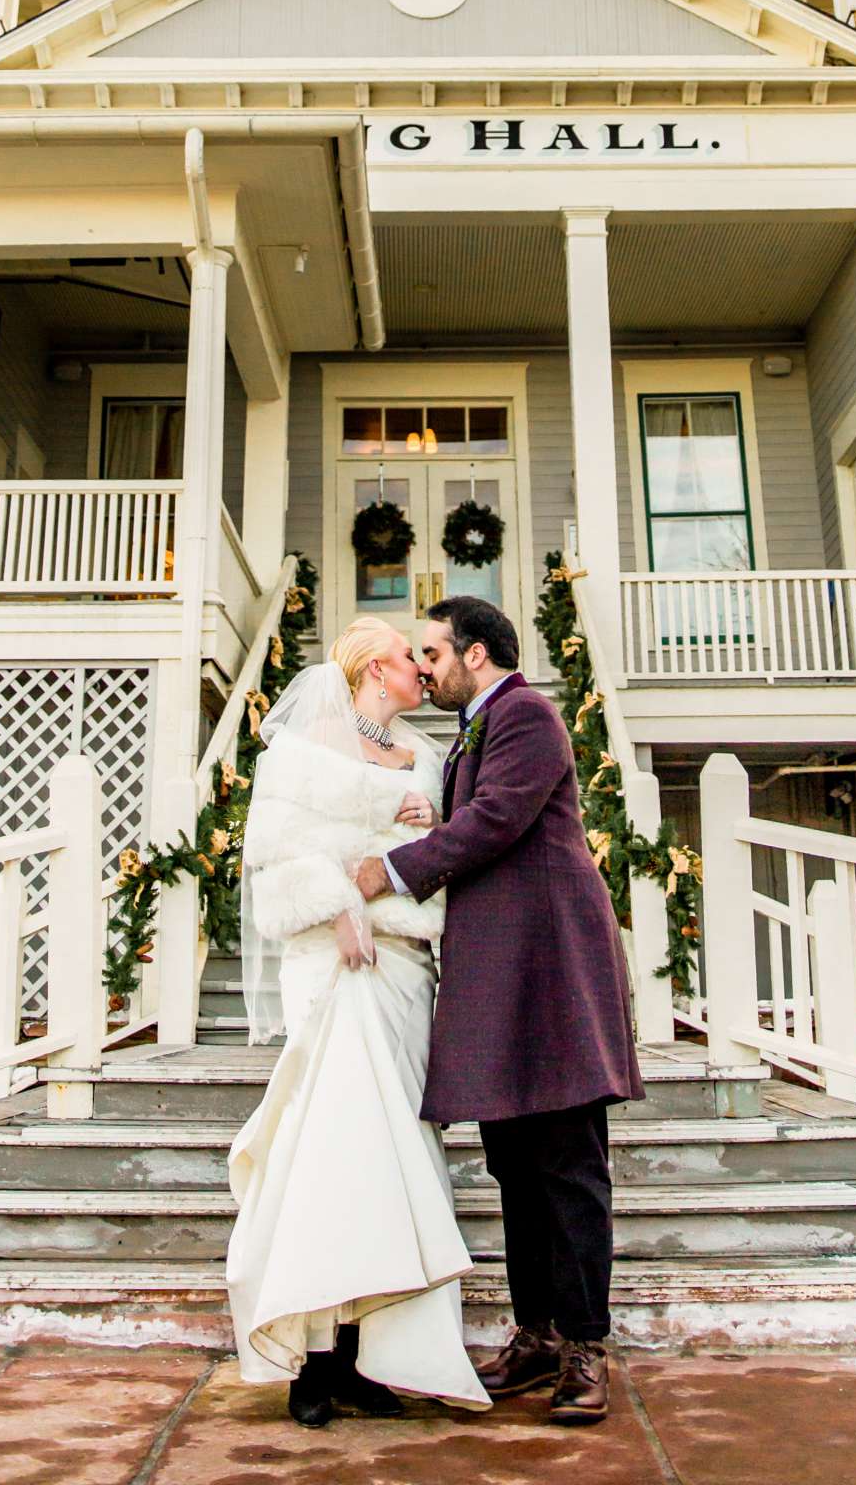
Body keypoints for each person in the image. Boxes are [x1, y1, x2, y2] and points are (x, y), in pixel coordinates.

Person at [355, 594, 644, 1428]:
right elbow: (477, 818)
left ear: (475, 653)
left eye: (433, 652)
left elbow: (500, 821)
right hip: (497, 975)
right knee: (514, 1167)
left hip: (550, 973)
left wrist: (395, 867)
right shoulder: (474, 729)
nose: (424, 666)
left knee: (567, 1169)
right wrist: (428, 813)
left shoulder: (527, 715)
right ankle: (538, 1335)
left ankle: (586, 1347)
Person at [225, 617, 490, 1427]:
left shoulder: (430, 757)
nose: (424, 668)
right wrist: (341, 904)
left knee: (396, 1155)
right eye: (413, 657)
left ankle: (365, 1356)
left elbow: (443, 852)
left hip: (405, 968)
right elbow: (274, 859)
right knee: (327, 1151)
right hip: (334, 965)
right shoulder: (304, 748)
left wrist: (420, 837)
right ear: (378, 666)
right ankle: (310, 1359)